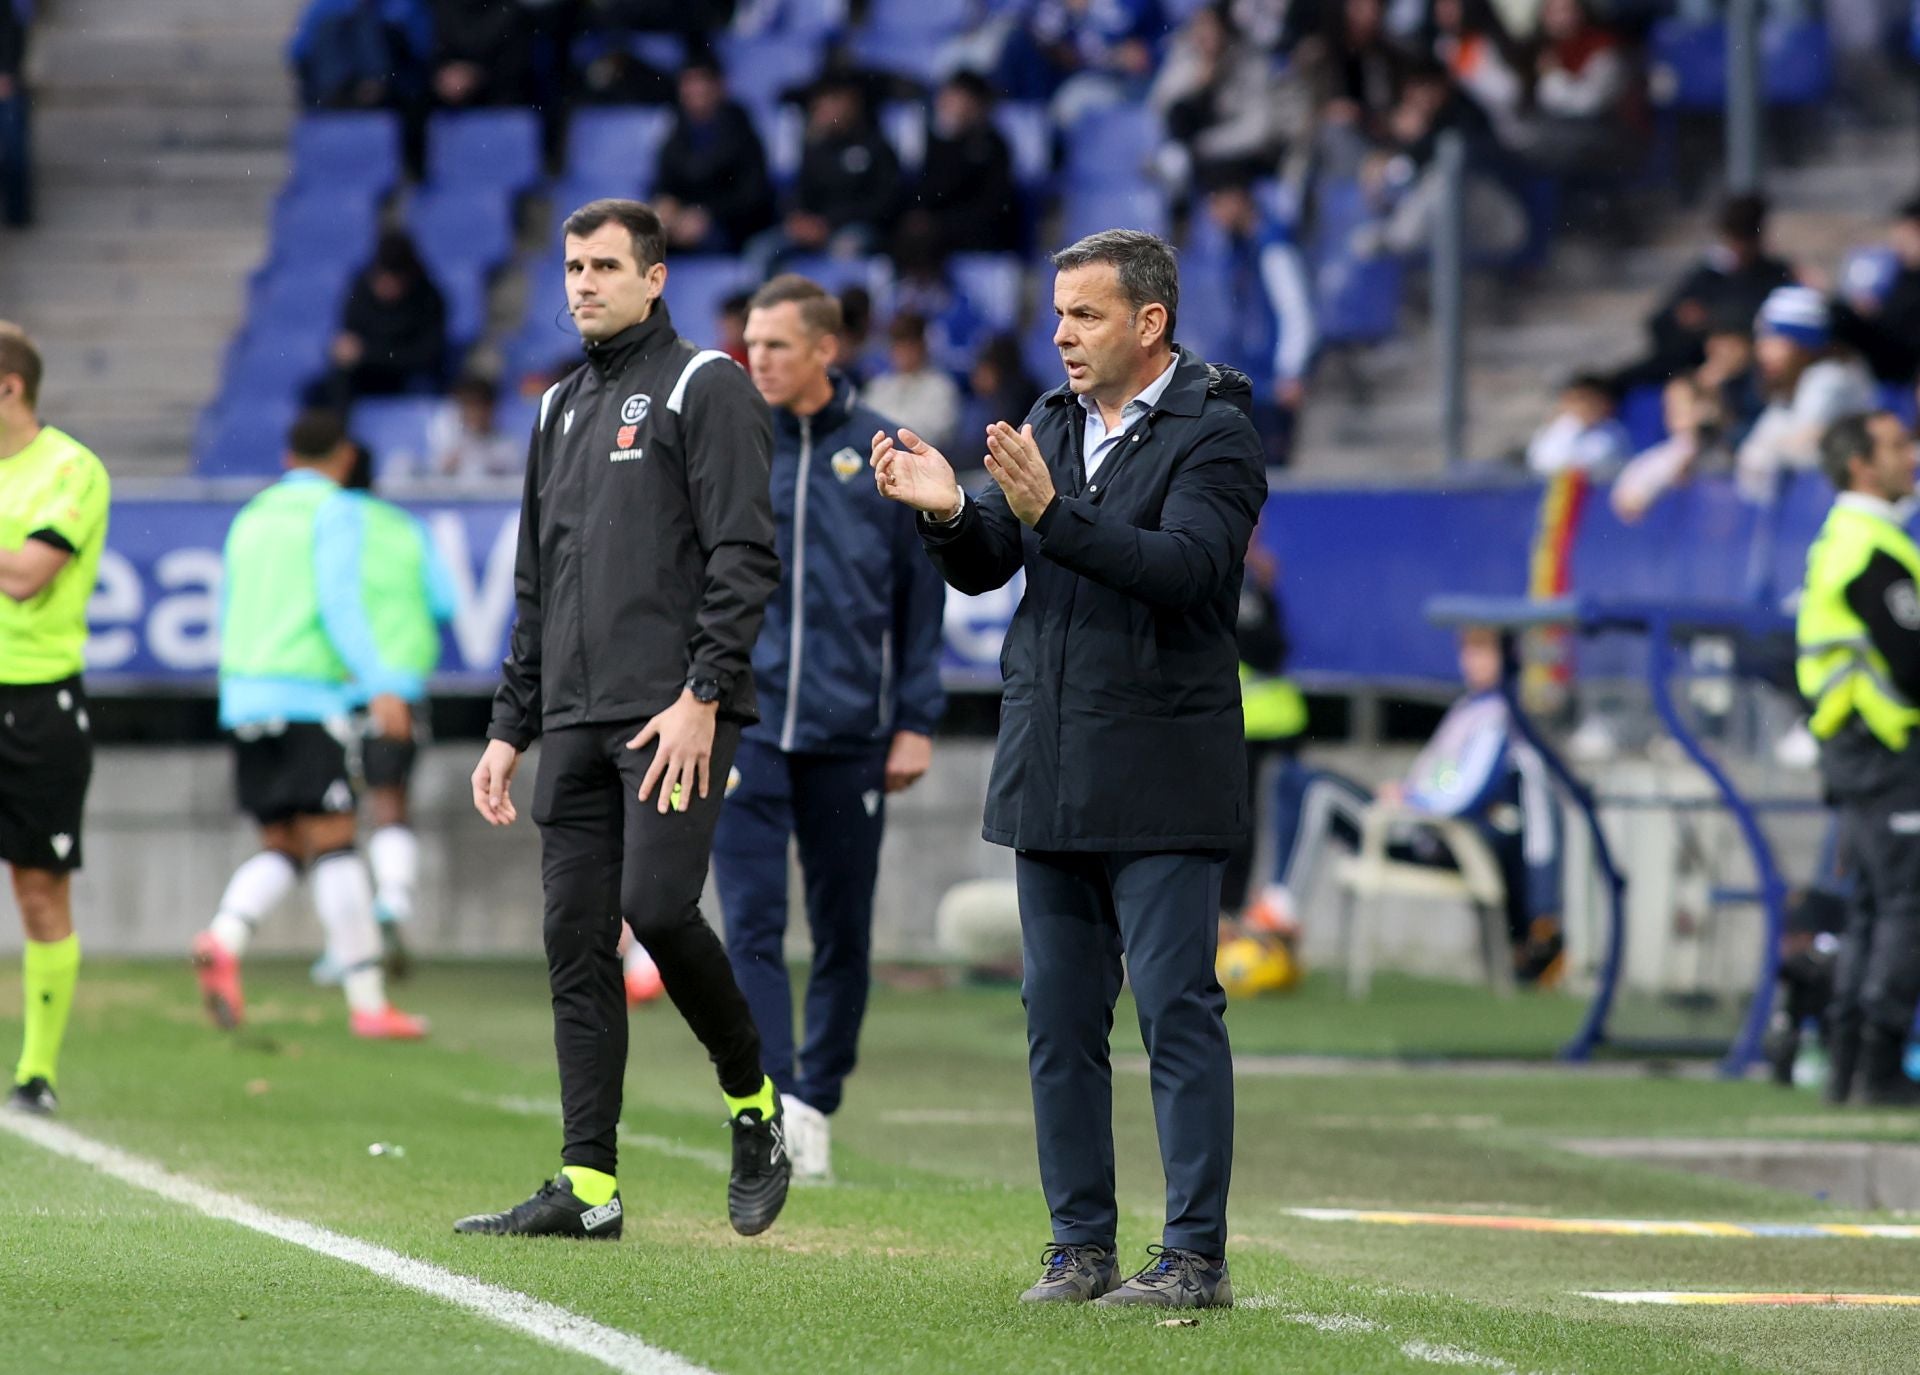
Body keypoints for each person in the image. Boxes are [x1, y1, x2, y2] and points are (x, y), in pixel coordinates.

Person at [871, 229, 1265, 1308]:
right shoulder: (1049, 419)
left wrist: (1057, 513)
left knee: (1176, 1011)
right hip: (1051, 758)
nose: (1061, 335)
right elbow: (993, 557)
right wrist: (949, 509)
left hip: (1163, 767)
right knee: (1057, 1021)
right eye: (1057, 315)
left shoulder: (1216, 432)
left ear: (1151, 323)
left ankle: (1194, 1257)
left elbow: (1186, 571)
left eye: (1084, 315)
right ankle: (1080, 1245)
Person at [459, 198, 790, 1242]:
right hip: (570, 719)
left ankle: (753, 1102)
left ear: (655, 278)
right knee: (571, 937)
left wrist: (701, 694)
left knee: (656, 907)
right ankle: (587, 1186)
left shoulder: (707, 386)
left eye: (605, 265)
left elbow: (743, 556)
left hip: (672, 716)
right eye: (571, 267)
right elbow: (534, 584)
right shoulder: (557, 408)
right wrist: (511, 726)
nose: (583, 283)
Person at [713, 275, 948, 1181]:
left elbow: (918, 599)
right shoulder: (729, 442)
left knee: (844, 931)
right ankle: (770, 1107)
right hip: (747, 727)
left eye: (775, 344)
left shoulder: (883, 449)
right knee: (752, 928)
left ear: (826, 348)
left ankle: (818, 1097)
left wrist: (916, 719)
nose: (757, 359)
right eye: (750, 343)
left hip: (854, 734)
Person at [192, 410, 429, 1041]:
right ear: (344, 455)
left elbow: (227, 606)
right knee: (335, 843)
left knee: (282, 844)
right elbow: (340, 603)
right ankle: (368, 1002)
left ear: (286, 454)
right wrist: (379, 682)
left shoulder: (252, 516)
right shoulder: (336, 509)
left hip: (245, 699)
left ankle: (226, 936)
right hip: (306, 699)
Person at [1254, 626, 1565, 984]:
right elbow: (1440, 773)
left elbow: (1467, 792)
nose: (1469, 659)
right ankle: (1277, 903)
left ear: (1507, 655)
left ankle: (1281, 913)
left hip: (1430, 834)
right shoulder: (1470, 707)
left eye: (1482, 649)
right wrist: (1409, 791)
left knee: (1319, 791)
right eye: (1466, 648)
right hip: (1412, 816)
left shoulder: (1501, 714)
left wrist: (1412, 799)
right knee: (1289, 776)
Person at [1795, 412, 1920, 1106]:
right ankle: (1877, 1067)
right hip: (1883, 746)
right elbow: (1910, 661)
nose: (1913, 455)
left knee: (1873, 905)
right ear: (1863, 466)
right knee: (1908, 903)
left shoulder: (1851, 541)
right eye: (1900, 445)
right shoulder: (1870, 549)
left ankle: (1847, 1070)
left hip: (1858, 749)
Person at [0, 323, 109, 1114]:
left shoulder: (72, 469)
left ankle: (35, 1073)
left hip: (37, 701)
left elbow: (26, 576)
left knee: (39, 888)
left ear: (10, 387)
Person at [311, 444, 457, 984]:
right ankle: (392, 900)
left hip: (340, 687)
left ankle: (346, 947)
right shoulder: (408, 529)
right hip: (401, 683)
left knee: (335, 821)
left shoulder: (326, 526)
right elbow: (445, 602)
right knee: (391, 800)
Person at [1735, 287, 1876, 501]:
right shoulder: (1789, 387)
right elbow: (1756, 446)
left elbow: (1803, 444)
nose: (1761, 350)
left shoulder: (1830, 377)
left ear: (1802, 344)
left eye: (1773, 339)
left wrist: (1764, 452)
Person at [652, 55, 777, 255]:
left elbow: (753, 195)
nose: (696, 90)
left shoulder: (741, 129)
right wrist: (666, 204)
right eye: (689, 82)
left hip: (732, 229)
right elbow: (664, 183)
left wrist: (707, 214)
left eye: (702, 82)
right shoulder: (676, 130)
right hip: (682, 225)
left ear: (719, 86)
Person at [319, 231, 449, 405]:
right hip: (369, 373)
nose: (386, 287)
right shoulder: (362, 289)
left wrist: (369, 354)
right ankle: (339, 430)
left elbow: (426, 355)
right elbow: (350, 337)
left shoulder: (430, 299)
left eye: (394, 281)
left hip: (407, 375)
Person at [862, 313, 962, 457]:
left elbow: (936, 436)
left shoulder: (941, 387)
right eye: (898, 345)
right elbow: (865, 429)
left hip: (924, 467)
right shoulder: (878, 387)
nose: (903, 352)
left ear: (921, 346)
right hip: (880, 464)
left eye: (909, 345)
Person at [1525, 373, 1631, 477]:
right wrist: (1572, 425)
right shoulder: (1552, 430)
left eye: (1588, 400)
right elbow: (1542, 462)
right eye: (1576, 400)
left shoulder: (1612, 432)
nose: (1583, 406)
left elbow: (1593, 463)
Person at [428, 373, 524, 484]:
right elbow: (437, 474)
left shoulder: (508, 446)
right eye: (468, 407)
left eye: (478, 407)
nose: (474, 414)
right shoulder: (451, 443)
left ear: (490, 409)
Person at [1, 0, 31, 227]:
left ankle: (18, 214)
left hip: (7, 80)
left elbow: (16, 25)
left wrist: (8, 71)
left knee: (14, 153)